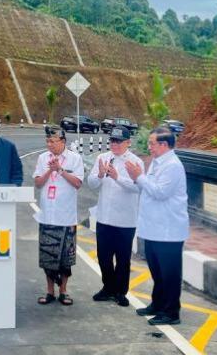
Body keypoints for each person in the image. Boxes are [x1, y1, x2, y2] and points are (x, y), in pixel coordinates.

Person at [125, 127, 189, 325]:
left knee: (169, 274)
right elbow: (147, 187)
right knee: (157, 271)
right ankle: (158, 304)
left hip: (168, 230)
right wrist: (137, 178)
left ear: (164, 145)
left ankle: (171, 312)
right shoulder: (157, 162)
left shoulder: (172, 165)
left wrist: (139, 176)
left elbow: (161, 192)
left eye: (152, 143)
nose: (149, 147)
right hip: (154, 228)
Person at [88, 125, 144, 307]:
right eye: (112, 141)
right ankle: (108, 288)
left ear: (128, 142)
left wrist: (118, 177)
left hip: (125, 220)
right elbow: (91, 184)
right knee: (103, 257)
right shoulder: (102, 158)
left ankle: (120, 292)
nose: (115, 145)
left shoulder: (135, 162)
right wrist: (100, 174)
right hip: (104, 217)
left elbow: (138, 187)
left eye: (119, 142)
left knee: (122, 259)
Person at [33, 126, 84, 306]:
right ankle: (49, 291)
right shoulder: (42, 158)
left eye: (53, 141)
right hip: (47, 215)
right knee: (48, 256)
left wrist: (61, 170)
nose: (50, 145)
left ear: (63, 142)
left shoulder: (75, 159)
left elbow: (78, 183)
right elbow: (38, 183)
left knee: (65, 258)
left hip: (66, 217)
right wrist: (50, 169)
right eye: (48, 141)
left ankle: (63, 291)